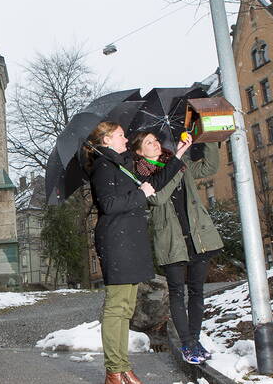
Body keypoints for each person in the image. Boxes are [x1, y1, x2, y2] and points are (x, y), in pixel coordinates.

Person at [82, 122, 191, 384]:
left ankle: (123, 367)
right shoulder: (103, 167)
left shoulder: (120, 165)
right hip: (116, 242)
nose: (126, 139)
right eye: (120, 135)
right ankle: (114, 371)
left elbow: (154, 183)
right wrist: (140, 193)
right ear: (106, 140)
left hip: (129, 241)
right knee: (116, 308)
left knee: (126, 307)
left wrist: (177, 156)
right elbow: (109, 204)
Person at [129, 131, 224, 365]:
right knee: (177, 293)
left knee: (197, 291)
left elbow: (209, 167)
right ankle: (187, 343)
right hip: (171, 241)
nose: (156, 144)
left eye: (156, 140)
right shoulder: (140, 175)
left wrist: (209, 138)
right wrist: (176, 161)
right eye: (149, 143)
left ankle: (195, 339)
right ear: (140, 152)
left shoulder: (178, 162)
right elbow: (158, 197)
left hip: (197, 236)